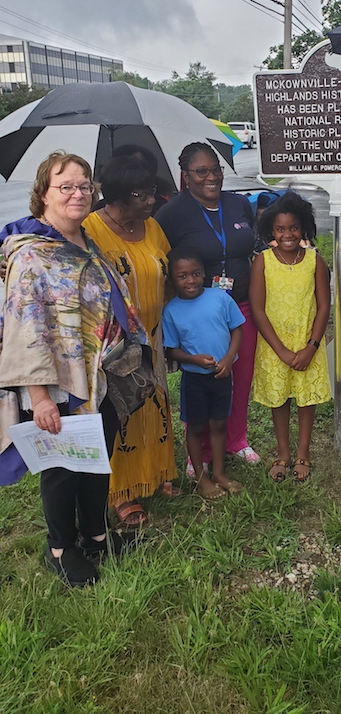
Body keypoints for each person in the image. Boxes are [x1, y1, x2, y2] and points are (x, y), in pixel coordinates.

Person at [0, 152, 148, 587]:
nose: (78, 193)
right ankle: (61, 550)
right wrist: (41, 398)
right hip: (59, 384)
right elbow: (27, 330)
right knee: (62, 470)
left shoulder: (84, 242)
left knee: (95, 461)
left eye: (84, 185)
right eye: (66, 186)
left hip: (100, 377)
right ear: (43, 195)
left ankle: (97, 537)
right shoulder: (32, 257)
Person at [155, 142, 260, 471]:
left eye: (216, 169)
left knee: (239, 377)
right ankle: (196, 452)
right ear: (186, 176)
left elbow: (253, 247)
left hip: (239, 307)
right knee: (201, 380)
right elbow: (156, 256)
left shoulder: (239, 205)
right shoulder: (171, 214)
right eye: (202, 171)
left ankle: (236, 439)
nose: (211, 177)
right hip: (196, 312)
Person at [84, 156, 177, 526]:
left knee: (152, 405)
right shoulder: (89, 229)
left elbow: (167, 272)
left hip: (151, 337)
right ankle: (122, 492)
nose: (152, 200)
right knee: (120, 412)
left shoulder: (152, 227)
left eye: (153, 192)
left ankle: (154, 473)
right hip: (113, 346)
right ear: (120, 196)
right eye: (144, 194)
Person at [249, 193, 331, 483]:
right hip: (275, 346)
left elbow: (323, 306)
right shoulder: (263, 261)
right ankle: (283, 453)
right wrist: (281, 350)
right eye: (281, 229)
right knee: (279, 398)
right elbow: (257, 310)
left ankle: (303, 453)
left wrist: (312, 346)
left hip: (307, 343)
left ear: (304, 228)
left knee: (306, 399)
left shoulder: (314, 260)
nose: (288, 234)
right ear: (271, 230)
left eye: (294, 228)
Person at [162, 247, 245, 499]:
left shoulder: (220, 298)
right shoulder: (171, 311)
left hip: (222, 374)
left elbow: (237, 329)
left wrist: (230, 359)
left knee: (219, 424)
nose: (191, 281)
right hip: (194, 379)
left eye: (196, 274)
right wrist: (193, 359)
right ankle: (201, 477)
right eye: (183, 276)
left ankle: (219, 472)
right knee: (196, 427)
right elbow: (171, 350)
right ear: (172, 280)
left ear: (204, 273)